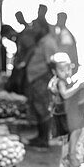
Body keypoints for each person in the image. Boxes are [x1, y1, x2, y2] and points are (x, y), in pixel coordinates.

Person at [24, 20, 58, 148]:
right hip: (37, 79)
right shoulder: (43, 41)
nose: (33, 29)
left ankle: (44, 139)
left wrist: (50, 81)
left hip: (42, 80)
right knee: (39, 108)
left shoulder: (48, 42)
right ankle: (40, 136)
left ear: (42, 28)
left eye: (36, 26)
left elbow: (51, 62)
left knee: (43, 109)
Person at [8, 11, 36, 95]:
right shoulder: (23, 32)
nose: (18, 21)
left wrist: (24, 61)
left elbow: (31, 48)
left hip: (25, 63)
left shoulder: (27, 31)